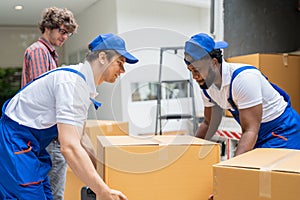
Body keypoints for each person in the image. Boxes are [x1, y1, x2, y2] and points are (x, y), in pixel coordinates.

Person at [0, 33, 138, 200]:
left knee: (45, 195)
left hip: (34, 145)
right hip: (15, 142)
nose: (122, 71)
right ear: (102, 57)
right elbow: (69, 147)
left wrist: (99, 180)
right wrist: (102, 191)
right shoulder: (72, 84)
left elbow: (80, 138)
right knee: (29, 195)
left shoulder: (84, 85)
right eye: (120, 62)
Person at [184, 33, 300, 157]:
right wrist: (192, 155)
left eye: (197, 70)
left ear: (213, 62)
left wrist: (234, 167)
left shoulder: (243, 79)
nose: (195, 77)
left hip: (283, 130)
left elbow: (250, 130)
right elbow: (208, 123)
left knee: (272, 173)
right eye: (191, 71)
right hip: (257, 133)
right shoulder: (207, 86)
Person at [21, 7, 78, 199]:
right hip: (47, 139)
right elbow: (42, 100)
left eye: (68, 33)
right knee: (53, 195)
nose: (65, 37)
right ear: (48, 27)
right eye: (62, 31)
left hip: (45, 137)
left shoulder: (48, 54)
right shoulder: (39, 52)